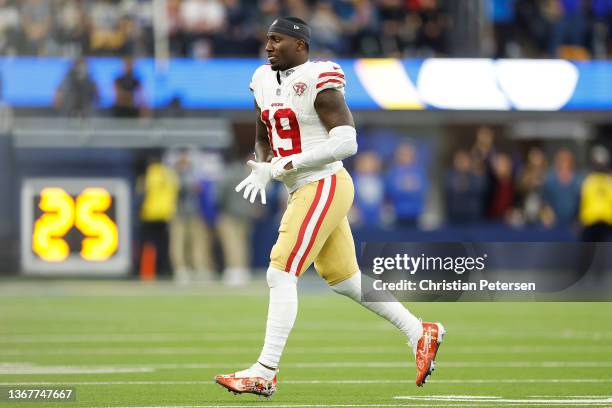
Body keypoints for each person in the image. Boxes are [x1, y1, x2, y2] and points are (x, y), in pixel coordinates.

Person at [214, 17, 444, 398]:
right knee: (345, 280)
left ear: (300, 46)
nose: (268, 46)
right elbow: (262, 131)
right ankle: (420, 332)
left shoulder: (318, 79)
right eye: (266, 39)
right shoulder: (262, 79)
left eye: (277, 40)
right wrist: (261, 163)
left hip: (322, 183)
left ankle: (265, 371)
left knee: (280, 271)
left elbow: (347, 143)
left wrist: (289, 164)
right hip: (302, 187)